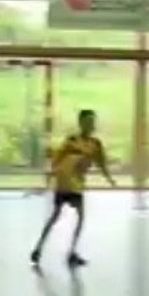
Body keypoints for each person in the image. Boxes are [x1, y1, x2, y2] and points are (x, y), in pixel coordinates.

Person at [30, 109, 117, 268]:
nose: (90, 125)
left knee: (75, 217)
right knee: (60, 216)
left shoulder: (95, 144)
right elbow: (57, 160)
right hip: (66, 184)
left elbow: (101, 163)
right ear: (81, 123)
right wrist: (50, 177)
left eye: (92, 122)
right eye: (87, 121)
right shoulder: (71, 140)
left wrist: (109, 179)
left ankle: (63, 251)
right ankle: (43, 249)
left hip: (77, 184)